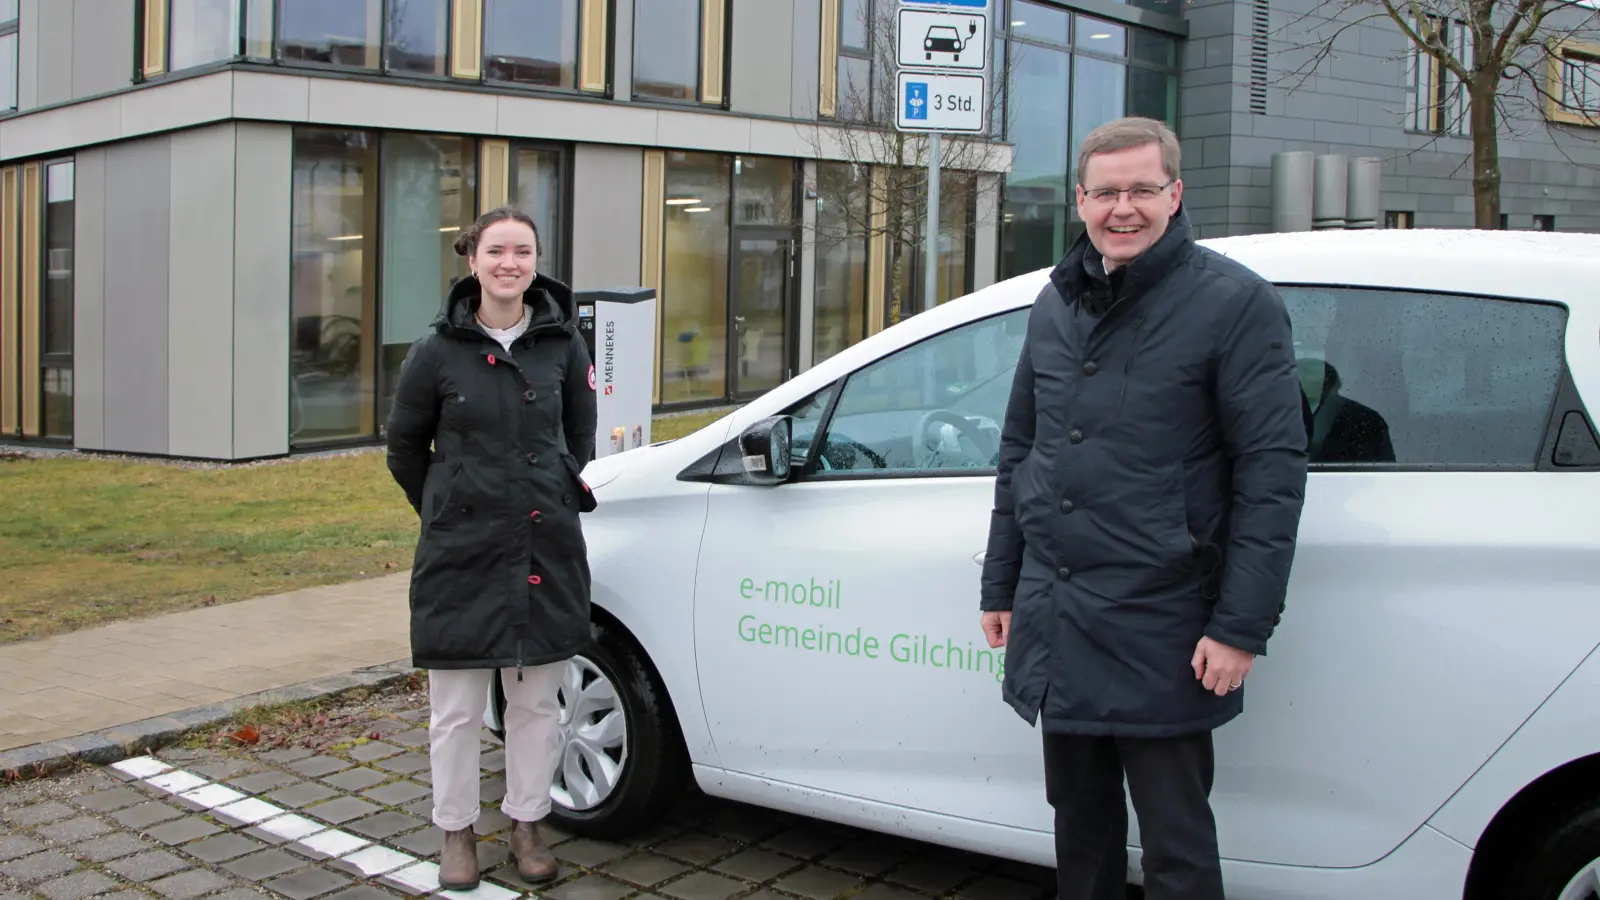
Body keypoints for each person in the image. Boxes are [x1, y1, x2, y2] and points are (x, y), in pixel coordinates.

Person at [978, 117, 1308, 900]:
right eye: (1105, 193)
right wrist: (1002, 584)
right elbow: (1021, 451)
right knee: (1079, 832)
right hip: (1059, 613)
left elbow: (1272, 473)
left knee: (1177, 848)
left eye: (1142, 190)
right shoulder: (1055, 303)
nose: (1123, 209)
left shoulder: (1234, 304)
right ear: (1081, 202)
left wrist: (1239, 627)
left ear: (1176, 194)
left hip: (1165, 619)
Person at [385, 205, 598, 890]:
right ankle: (456, 834)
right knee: (454, 708)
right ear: (471, 258)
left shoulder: (563, 343)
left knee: (536, 702)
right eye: (497, 250)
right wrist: (449, 507)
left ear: (536, 262)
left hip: (544, 546)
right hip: (461, 552)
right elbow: (403, 450)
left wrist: (544, 494)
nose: (511, 263)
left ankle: (527, 823)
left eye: (523, 251)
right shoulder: (437, 350)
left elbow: (579, 437)